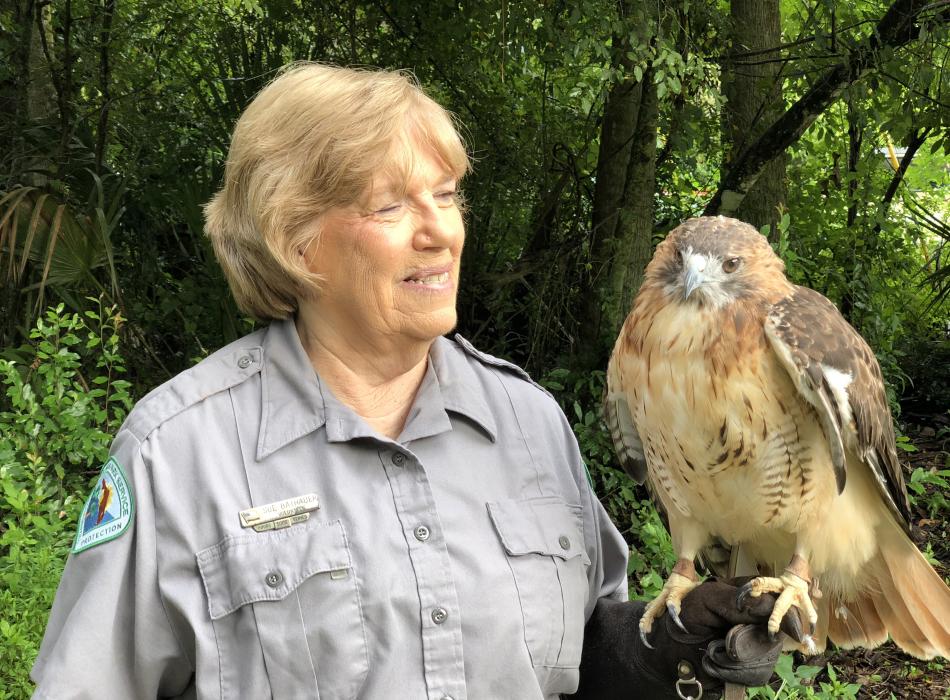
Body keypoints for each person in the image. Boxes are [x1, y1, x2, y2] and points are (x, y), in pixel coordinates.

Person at [31, 63, 789, 700]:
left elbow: (578, 653)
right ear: (294, 238)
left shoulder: (528, 422)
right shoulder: (179, 453)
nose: (441, 231)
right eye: (391, 204)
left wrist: (669, 648)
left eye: (448, 195)